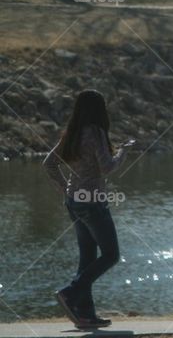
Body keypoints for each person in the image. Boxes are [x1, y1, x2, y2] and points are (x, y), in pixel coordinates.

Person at [43, 89, 134, 329]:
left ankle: (85, 315)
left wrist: (66, 189)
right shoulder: (96, 132)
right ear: (99, 110)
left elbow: (49, 164)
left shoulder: (72, 134)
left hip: (74, 202)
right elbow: (107, 167)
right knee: (111, 254)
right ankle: (69, 293)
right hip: (92, 202)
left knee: (87, 259)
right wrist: (124, 151)